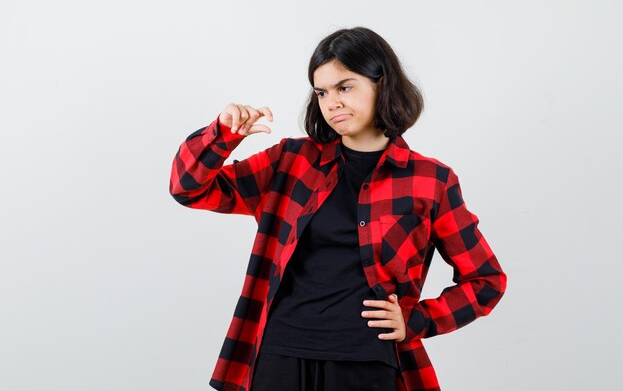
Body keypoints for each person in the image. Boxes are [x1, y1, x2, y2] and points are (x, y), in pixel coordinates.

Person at [169, 26, 507, 391]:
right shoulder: (291, 161)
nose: (332, 103)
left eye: (345, 87)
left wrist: (417, 320)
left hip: (367, 361)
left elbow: (486, 280)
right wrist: (221, 134)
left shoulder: (430, 180)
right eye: (322, 92)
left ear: (382, 84)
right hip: (278, 355)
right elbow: (189, 188)